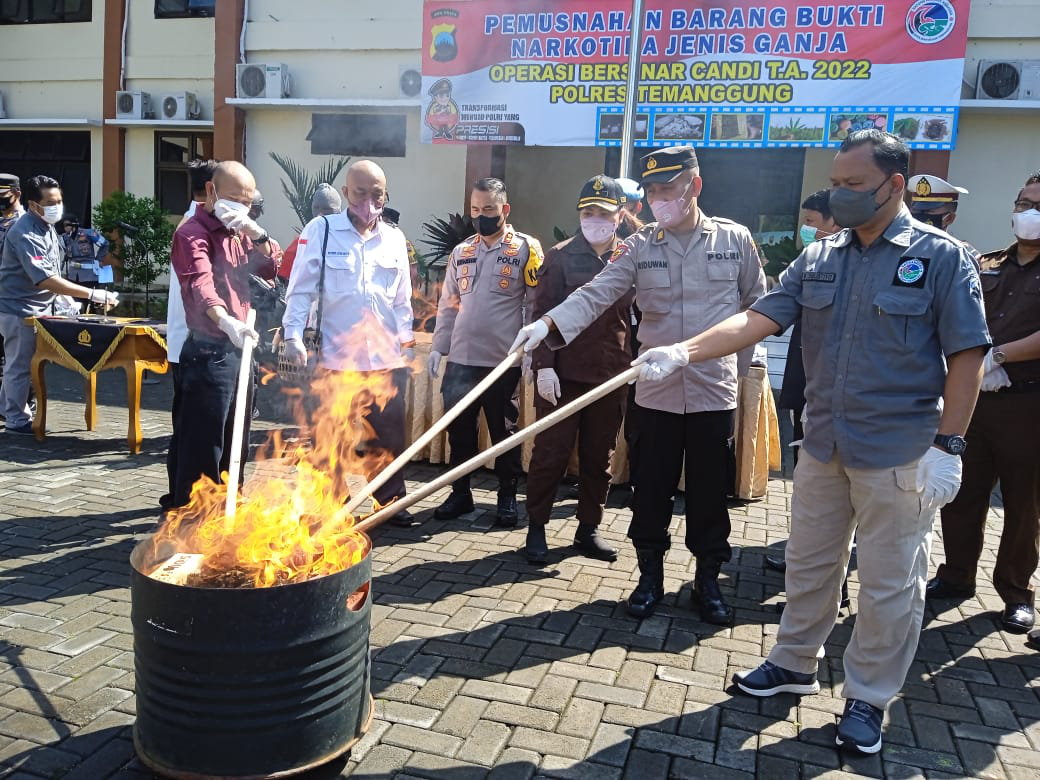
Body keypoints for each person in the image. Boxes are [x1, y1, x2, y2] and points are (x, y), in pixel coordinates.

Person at [626, 130, 989, 755]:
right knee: (810, 566)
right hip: (822, 444)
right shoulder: (822, 257)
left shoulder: (940, 258)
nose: (840, 196)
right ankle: (793, 664)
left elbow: (968, 355)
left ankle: (867, 697)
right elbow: (760, 315)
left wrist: (949, 444)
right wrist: (681, 351)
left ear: (894, 185)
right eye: (835, 184)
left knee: (888, 583)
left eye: (853, 186)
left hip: (900, 451)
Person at [512, 146, 766, 625]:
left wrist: (742, 366)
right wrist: (547, 326)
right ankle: (650, 577)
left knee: (711, 495)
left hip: (714, 392)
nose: (656, 201)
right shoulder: (639, 246)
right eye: (649, 192)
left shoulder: (735, 240)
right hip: (654, 394)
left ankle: (708, 581)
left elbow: (758, 308)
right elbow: (596, 293)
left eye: (666, 190)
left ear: (695, 186)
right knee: (650, 493)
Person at [928, 171, 1040, 633]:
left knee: (1023, 505)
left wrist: (997, 356)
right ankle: (955, 576)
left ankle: (1016, 593)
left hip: (1027, 407)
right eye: (1022, 202)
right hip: (974, 402)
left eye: (1035, 204)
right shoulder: (987, 262)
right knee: (962, 493)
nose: (1027, 212)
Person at [282, 160, 415, 524]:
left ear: (385, 196)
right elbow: (300, 290)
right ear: (345, 193)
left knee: (387, 437)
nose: (369, 202)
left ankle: (389, 501)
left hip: (385, 361)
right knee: (331, 437)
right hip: (336, 359)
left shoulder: (394, 239)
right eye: (360, 193)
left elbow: (402, 300)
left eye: (377, 195)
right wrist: (293, 335)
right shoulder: (323, 230)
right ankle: (331, 502)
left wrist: (408, 344)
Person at [525, 175, 633, 564]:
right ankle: (536, 528)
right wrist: (544, 367)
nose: (595, 219)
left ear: (619, 216)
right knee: (550, 455)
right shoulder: (559, 256)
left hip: (611, 374)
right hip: (564, 374)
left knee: (598, 458)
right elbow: (541, 315)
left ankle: (588, 529)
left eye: (603, 213)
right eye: (588, 212)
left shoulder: (631, 258)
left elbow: (637, 317)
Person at [429, 177, 543, 526]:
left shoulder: (526, 248)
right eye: (475, 210)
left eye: (489, 210)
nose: (481, 216)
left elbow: (534, 304)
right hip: (461, 360)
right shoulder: (461, 251)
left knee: (502, 433)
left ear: (504, 210)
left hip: (501, 361)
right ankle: (460, 494)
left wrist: (530, 352)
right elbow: (448, 304)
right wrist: (438, 347)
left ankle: (507, 498)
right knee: (458, 432)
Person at [168, 161, 275, 508]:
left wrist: (256, 233)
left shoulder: (238, 231)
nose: (240, 208)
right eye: (233, 199)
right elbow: (201, 285)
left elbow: (272, 268)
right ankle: (193, 519)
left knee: (236, 440)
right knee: (202, 446)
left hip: (240, 351)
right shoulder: (191, 232)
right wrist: (225, 321)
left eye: (247, 202)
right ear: (211, 191)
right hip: (207, 352)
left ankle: (229, 507)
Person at [0, 175, 119, 433]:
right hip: (19, 309)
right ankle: (15, 419)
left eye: (60, 200)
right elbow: (44, 278)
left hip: (41, 307)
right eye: (51, 202)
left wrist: (64, 298)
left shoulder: (46, 226)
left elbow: (52, 270)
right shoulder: (25, 231)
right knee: (19, 365)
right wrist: (92, 294)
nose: (58, 207)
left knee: (24, 363)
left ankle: (8, 410)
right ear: (33, 204)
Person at [767, 189, 841, 576]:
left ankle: (827, 569)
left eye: (813, 222)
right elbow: (768, 312)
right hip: (808, 385)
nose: (806, 229)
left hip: (844, 401)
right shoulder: (809, 262)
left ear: (835, 222)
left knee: (836, 496)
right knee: (806, 480)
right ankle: (802, 553)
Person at [160, 159, 218, 513]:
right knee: (188, 427)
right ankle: (181, 498)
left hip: (193, 343)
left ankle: (177, 495)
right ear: (211, 189)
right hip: (191, 345)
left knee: (187, 425)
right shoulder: (192, 227)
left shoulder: (206, 223)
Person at [278, 184, 342, 284]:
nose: (321, 214)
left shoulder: (347, 242)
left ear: (337, 212)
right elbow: (285, 280)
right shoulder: (300, 243)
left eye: (327, 209)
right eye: (316, 208)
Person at [59, 214, 109, 288]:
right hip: (73, 275)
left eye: (67, 225)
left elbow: (105, 243)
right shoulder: (64, 238)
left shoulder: (88, 233)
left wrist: (99, 259)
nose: (65, 228)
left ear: (74, 224)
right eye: (64, 225)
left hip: (89, 275)